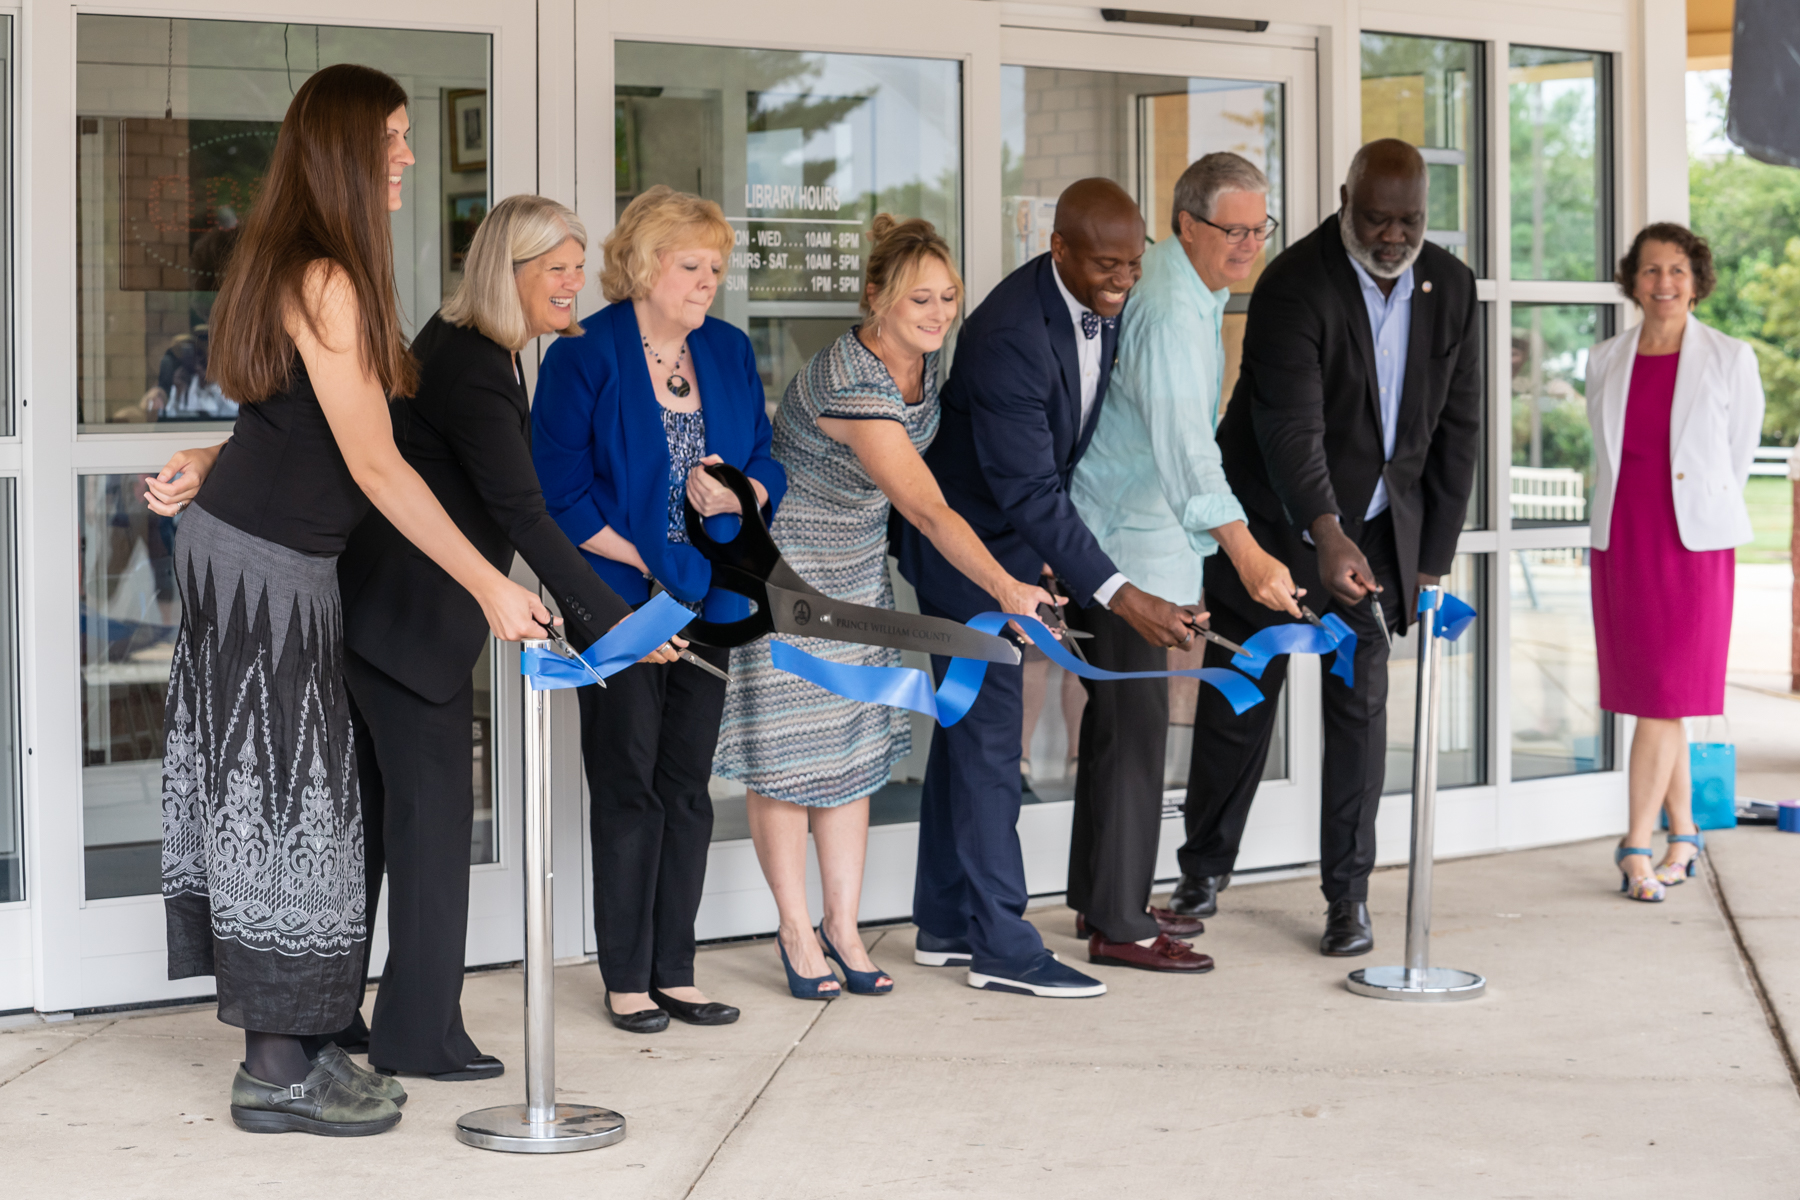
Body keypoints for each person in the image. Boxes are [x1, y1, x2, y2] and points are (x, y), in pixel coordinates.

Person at [146, 64, 553, 1136]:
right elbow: (374, 468)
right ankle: (278, 1070)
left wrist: (201, 454)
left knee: (289, 809)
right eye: (396, 138)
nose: (409, 157)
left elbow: (279, 424)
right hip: (269, 572)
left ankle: (297, 1047)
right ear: (347, 151)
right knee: (288, 813)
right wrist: (490, 583)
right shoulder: (325, 276)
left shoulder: (288, 261)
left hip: (256, 552)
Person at [713, 216, 1056, 1000]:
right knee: (789, 763)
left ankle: (844, 926)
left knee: (852, 760)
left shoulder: (919, 365)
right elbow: (928, 509)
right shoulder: (851, 381)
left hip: (858, 573)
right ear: (876, 300)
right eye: (917, 300)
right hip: (791, 583)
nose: (937, 314)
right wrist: (1004, 586)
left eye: (946, 297)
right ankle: (796, 931)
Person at [894, 178, 1205, 999]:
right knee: (994, 745)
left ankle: (944, 921)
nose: (1123, 281)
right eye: (1106, 264)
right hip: (964, 552)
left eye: (1134, 266)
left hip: (1014, 543)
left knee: (969, 737)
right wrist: (1118, 591)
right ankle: (1002, 944)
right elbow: (1028, 490)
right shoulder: (1007, 337)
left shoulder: (1105, 302)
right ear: (1058, 249)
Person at [1171, 139, 1481, 956]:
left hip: (1376, 534)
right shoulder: (1294, 282)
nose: (1391, 233)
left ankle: (1348, 898)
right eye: (1375, 216)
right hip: (1274, 525)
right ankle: (1202, 868)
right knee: (1241, 704)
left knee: (1361, 714)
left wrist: (1430, 557)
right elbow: (1289, 429)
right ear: (1345, 197)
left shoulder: (1448, 285)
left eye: (1408, 219)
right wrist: (1324, 529)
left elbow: (1459, 429)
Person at [533, 185, 787, 1034]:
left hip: (709, 601)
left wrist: (742, 490)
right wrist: (648, 560)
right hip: (619, 602)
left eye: (716, 266)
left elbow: (765, 459)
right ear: (643, 266)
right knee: (628, 784)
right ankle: (627, 978)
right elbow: (556, 493)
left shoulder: (726, 350)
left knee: (685, 787)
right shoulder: (586, 352)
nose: (708, 280)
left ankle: (676, 970)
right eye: (691, 265)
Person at [1067, 153, 1300, 972]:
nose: (1248, 244)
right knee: (1134, 734)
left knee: (1116, 729)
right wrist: (1245, 549)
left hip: (1138, 536)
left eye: (1258, 228)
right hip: (1132, 547)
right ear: (1188, 225)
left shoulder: (1192, 290)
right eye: (1233, 230)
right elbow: (1184, 451)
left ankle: (1102, 898)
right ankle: (1121, 927)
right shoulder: (1170, 308)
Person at [1588, 223, 1762, 901]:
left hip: (1692, 548)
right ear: (1633, 281)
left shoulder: (1729, 357)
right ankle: (1683, 834)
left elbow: (1737, 458)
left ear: (1697, 282)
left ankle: (1635, 844)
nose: (1665, 283)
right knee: (1658, 700)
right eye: (1652, 270)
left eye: (1678, 271)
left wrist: (1699, 516)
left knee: (1661, 700)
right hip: (1623, 542)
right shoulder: (1605, 358)